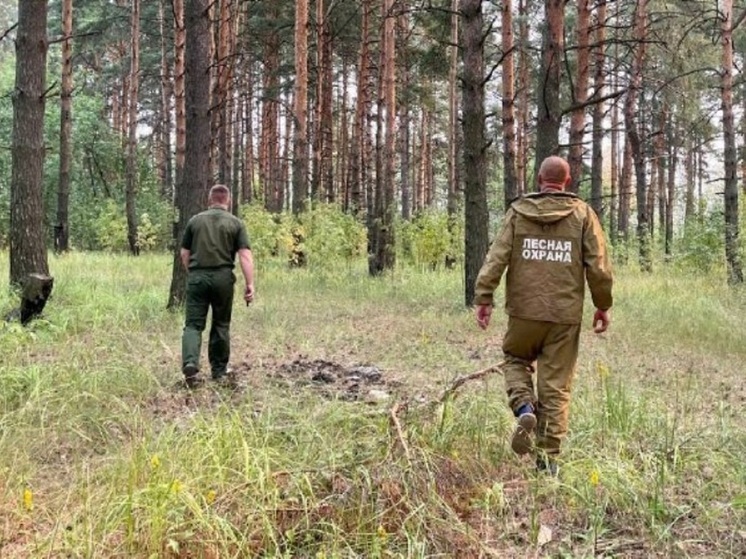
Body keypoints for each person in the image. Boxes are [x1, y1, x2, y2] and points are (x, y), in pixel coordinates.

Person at [473, 155, 613, 475]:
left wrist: (484, 297)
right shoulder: (582, 214)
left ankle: (524, 406)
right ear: (566, 181)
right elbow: (599, 266)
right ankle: (547, 461)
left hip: (524, 312)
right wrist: (602, 304)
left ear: (539, 179)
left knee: (514, 358)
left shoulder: (518, 213)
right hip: (564, 316)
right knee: (556, 385)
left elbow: (496, 258)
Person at [180, 184, 255, 387]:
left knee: (193, 325)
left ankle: (190, 364)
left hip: (197, 277)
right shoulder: (236, 223)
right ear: (227, 201)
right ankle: (219, 371)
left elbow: (184, 253)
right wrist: (250, 284)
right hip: (223, 278)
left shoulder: (195, 221)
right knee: (221, 324)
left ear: (209, 199)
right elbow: (245, 256)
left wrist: (194, 273)